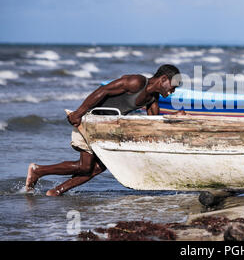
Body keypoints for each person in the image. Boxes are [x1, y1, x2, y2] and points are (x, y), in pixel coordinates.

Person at [25, 64, 184, 196]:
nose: (173, 91)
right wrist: (79, 113)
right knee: (85, 167)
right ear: (163, 79)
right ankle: (38, 170)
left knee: (99, 167)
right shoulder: (136, 82)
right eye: (173, 86)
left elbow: (153, 122)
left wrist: (174, 117)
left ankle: (56, 191)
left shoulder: (152, 99)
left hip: (105, 128)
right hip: (90, 120)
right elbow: (103, 90)